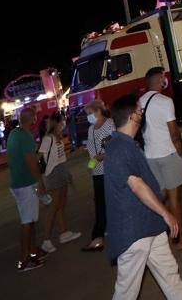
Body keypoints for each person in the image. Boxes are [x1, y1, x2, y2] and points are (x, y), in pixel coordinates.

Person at [105, 95, 182, 300]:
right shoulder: (118, 148)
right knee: (126, 292)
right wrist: (167, 214)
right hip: (134, 232)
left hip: (151, 226)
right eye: (140, 111)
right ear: (133, 115)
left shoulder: (129, 144)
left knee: (171, 276)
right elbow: (137, 185)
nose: (142, 114)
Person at [138, 67, 182, 250]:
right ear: (159, 81)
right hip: (167, 154)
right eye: (164, 77)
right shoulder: (165, 101)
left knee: (160, 195)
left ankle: (154, 231)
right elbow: (175, 134)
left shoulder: (140, 101)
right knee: (174, 199)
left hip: (150, 156)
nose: (166, 80)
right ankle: (180, 238)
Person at [7, 106, 49, 271]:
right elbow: (31, 162)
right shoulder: (26, 136)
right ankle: (25, 260)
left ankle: (33, 251)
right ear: (32, 119)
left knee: (29, 220)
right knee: (27, 222)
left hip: (16, 183)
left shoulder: (14, 133)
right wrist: (40, 182)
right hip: (26, 184)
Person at [38, 113, 80, 253]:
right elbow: (39, 157)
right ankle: (46, 240)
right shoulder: (48, 138)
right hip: (53, 173)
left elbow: (60, 157)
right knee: (54, 207)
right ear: (56, 123)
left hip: (61, 170)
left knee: (61, 204)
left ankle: (64, 233)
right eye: (62, 122)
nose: (64, 124)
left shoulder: (58, 137)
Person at [82, 99, 114, 252]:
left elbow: (116, 144)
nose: (89, 116)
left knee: (113, 201)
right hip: (97, 172)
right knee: (100, 204)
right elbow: (91, 150)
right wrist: (92, 164)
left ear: (98, 111)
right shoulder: (91, 129)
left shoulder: (109, 124)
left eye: (90, 113)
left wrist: (103, 156)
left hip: (110, 170)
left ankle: (98, 237)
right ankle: (100, 236)